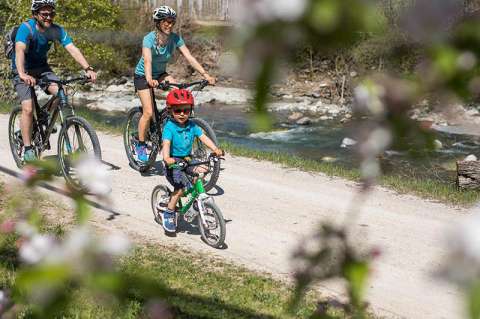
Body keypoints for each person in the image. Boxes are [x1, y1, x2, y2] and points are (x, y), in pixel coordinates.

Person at [13, 0, 97, 162]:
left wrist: (88, 68)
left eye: (51, 14)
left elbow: (72, 48)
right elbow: (20, 50)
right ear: (35, 14)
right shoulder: (27, 28)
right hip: (21, 69)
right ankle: (28, 148)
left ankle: (44, 115)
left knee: (62, 91)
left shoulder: (56, 30)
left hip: (42, 69)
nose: (49, 17)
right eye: (44, 14)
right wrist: (22, 73)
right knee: (28, 108)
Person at [134, 5, 216, 163]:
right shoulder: (149, 39)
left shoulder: (175, 38)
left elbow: (189, 57)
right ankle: (141, 144)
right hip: (143, 75)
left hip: (161, 74)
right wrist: (150, 79)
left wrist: (206, 75)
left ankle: (167, 128)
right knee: (149, 112)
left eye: (172, 21)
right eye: (166, 21)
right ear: (158, 22)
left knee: (180, 96)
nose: (169, 24)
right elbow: (148, 60)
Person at [161, 88, 223, 233]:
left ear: (190, 110)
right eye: (177, 111)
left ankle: (196, 203)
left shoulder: (192, 125)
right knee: (180, 189)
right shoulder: (169, 128)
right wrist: (167, 158)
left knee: (202, 171)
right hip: (174, 163)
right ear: (171, 111)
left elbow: (203, 137)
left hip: (187, 160)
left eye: (186, 110)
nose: (182, 114)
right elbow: (166, 143)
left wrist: (215, 149)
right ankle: (169, 212)